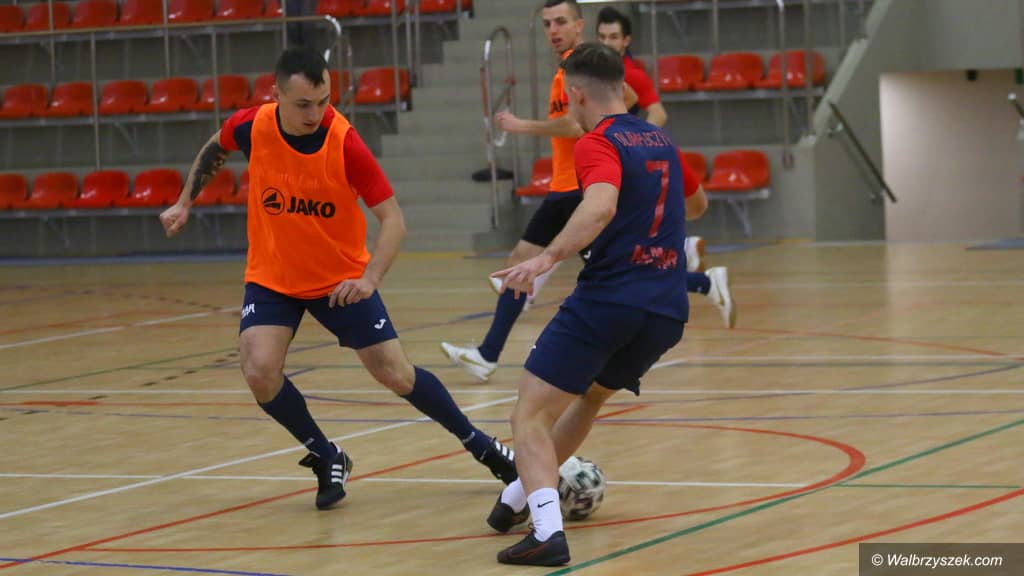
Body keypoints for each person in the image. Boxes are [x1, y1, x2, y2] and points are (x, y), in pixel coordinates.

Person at [158, 48, 516, 511]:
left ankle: (483, 446)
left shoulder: (343, 142)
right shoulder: (253, 125)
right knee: (259, 370)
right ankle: (327, 455)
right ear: (276, 95)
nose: (316, 113)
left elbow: (394, 220)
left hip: (340, 281)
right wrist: (185, 200)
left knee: (394, 373)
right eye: (303, 104)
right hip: (273, 276)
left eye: (324, 100)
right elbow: (216, 145)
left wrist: (369, 279)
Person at [484, 42, 705, 566]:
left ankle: (547, 533)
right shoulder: (661, 140)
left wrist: (547, 258)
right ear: (622, 89)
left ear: (577, 95)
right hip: (666, 308)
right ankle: (516, 500)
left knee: (529, 413)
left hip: (611, 299)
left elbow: (600, 206)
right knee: (589, 397)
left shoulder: (598, 142)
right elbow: (697, 205)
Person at [440, 0, 620, 382]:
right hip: (564, 187)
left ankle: (699, 282)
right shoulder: (569, 69)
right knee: (524, 262)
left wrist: (522, 126)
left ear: (579, 25)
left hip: (578, 188)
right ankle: (488, 354)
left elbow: (574, 125)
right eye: (547, 24)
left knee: (612, 270)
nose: (553, 30)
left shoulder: (582, 69)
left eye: (561, 22)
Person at [596, 5, 736, 329]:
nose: (607, 43)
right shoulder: (595, 73)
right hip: (603, 165)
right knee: (623, 258)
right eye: (602, 37)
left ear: (626, 40)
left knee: (617, 258)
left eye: (613, 37)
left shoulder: (629, 75)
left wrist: (635, 141)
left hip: (625, 166)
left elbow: (658, 112)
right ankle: (693, 265)